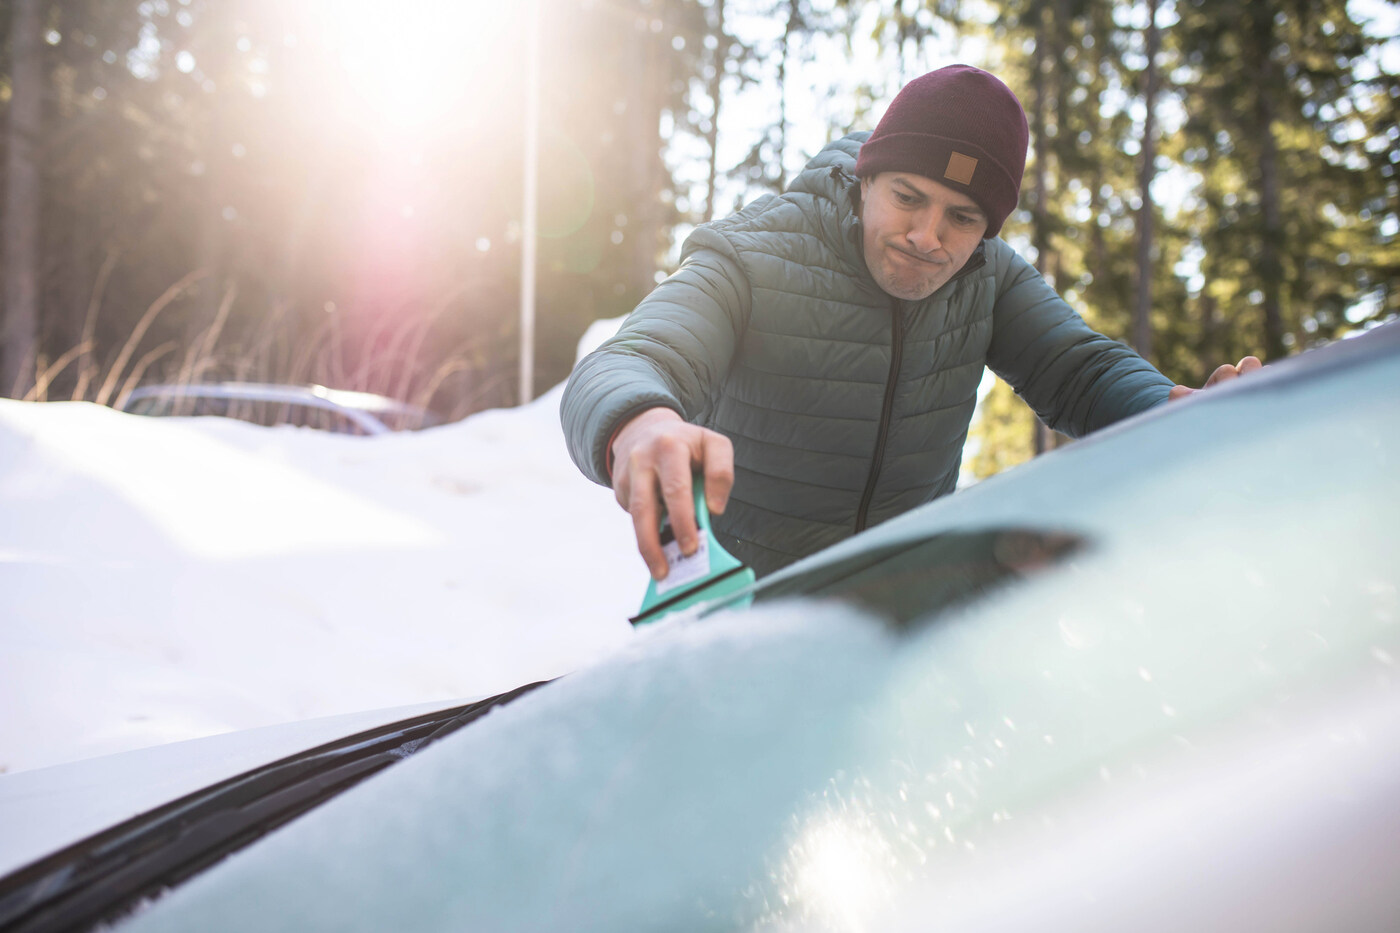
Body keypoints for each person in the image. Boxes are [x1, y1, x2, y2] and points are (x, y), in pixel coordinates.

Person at [561, 64, 1259, 581]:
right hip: (739, 614)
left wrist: (1175, 409)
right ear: (866, 178)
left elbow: (1080, 369)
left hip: (892, 611)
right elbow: (636, 356)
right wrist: (641, 423)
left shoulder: (989, 279)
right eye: (907, 197)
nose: (928, 236)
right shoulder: (755, 252)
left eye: (962, 217)